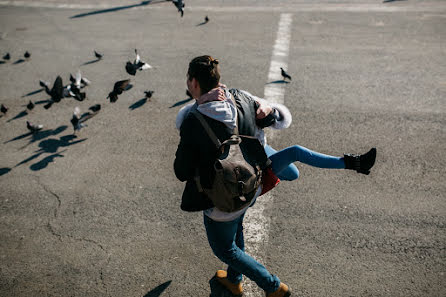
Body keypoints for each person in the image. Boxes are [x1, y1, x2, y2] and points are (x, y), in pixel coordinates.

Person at [174, 55, 291, 297]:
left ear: (194, 83)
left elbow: (181, 171)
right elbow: (267, 123)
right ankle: (233, 279)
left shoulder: (193, 121)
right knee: (237, 230)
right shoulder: (238, 97)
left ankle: (273, 286)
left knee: (225, 249)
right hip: (248, 185)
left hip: (220, 197)